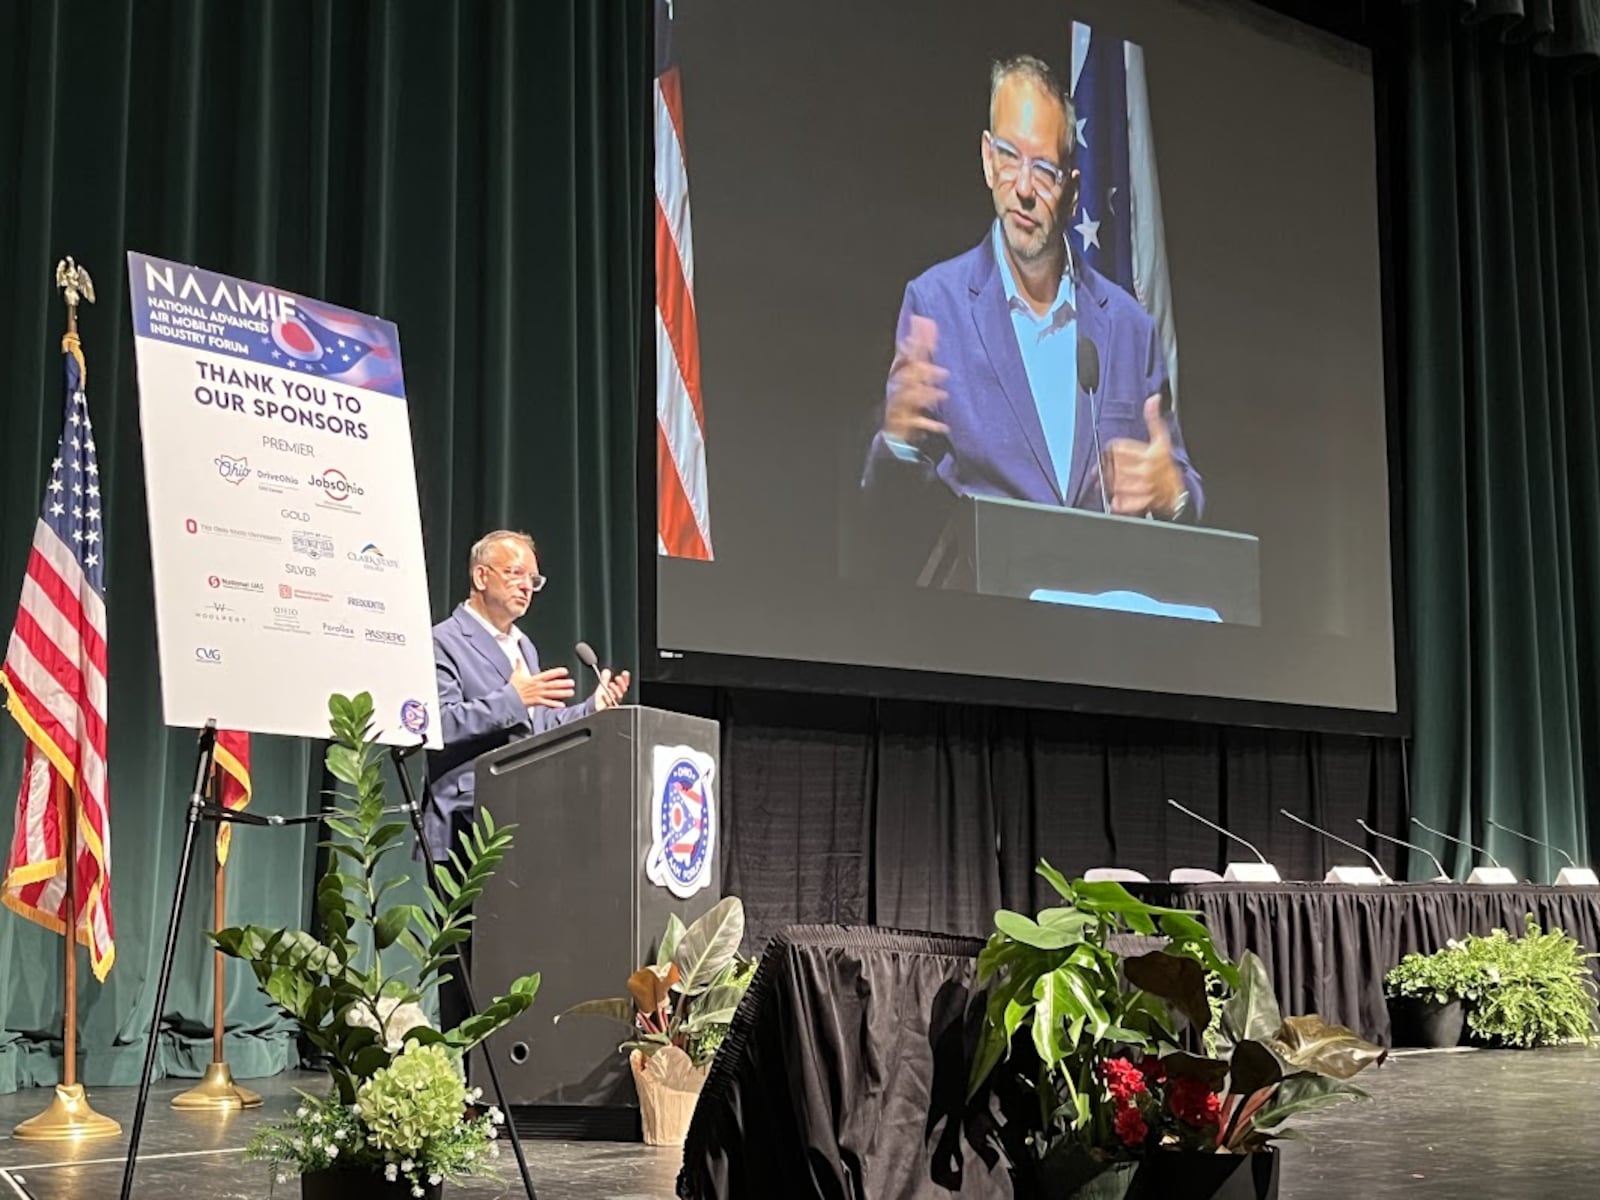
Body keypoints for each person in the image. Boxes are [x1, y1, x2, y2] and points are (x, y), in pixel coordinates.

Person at [862, 55, 1202, 521]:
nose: (1023, 187)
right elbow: (886, 514)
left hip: (1102, 590)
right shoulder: (936, 306)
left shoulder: (1129, 329)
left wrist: (1173, 492)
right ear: (986, 158)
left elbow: (1181, 480)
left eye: (1044, 169)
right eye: (1008, 157)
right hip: (982, 593)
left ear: (1073, 191)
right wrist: (897, 441)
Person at [425, 529, 629, 1030]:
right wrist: (513, 697)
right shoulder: (444, 641)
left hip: (520, 824)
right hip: (463, 826)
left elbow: (532, 730)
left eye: (533, 579)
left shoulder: (523, 646)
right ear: (481, 576)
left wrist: (590, 709)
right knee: (467, 967)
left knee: (511, 960)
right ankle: (465, 1087)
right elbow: (439, 725)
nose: (526, 587)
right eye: (516, 574)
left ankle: (505, 1084)